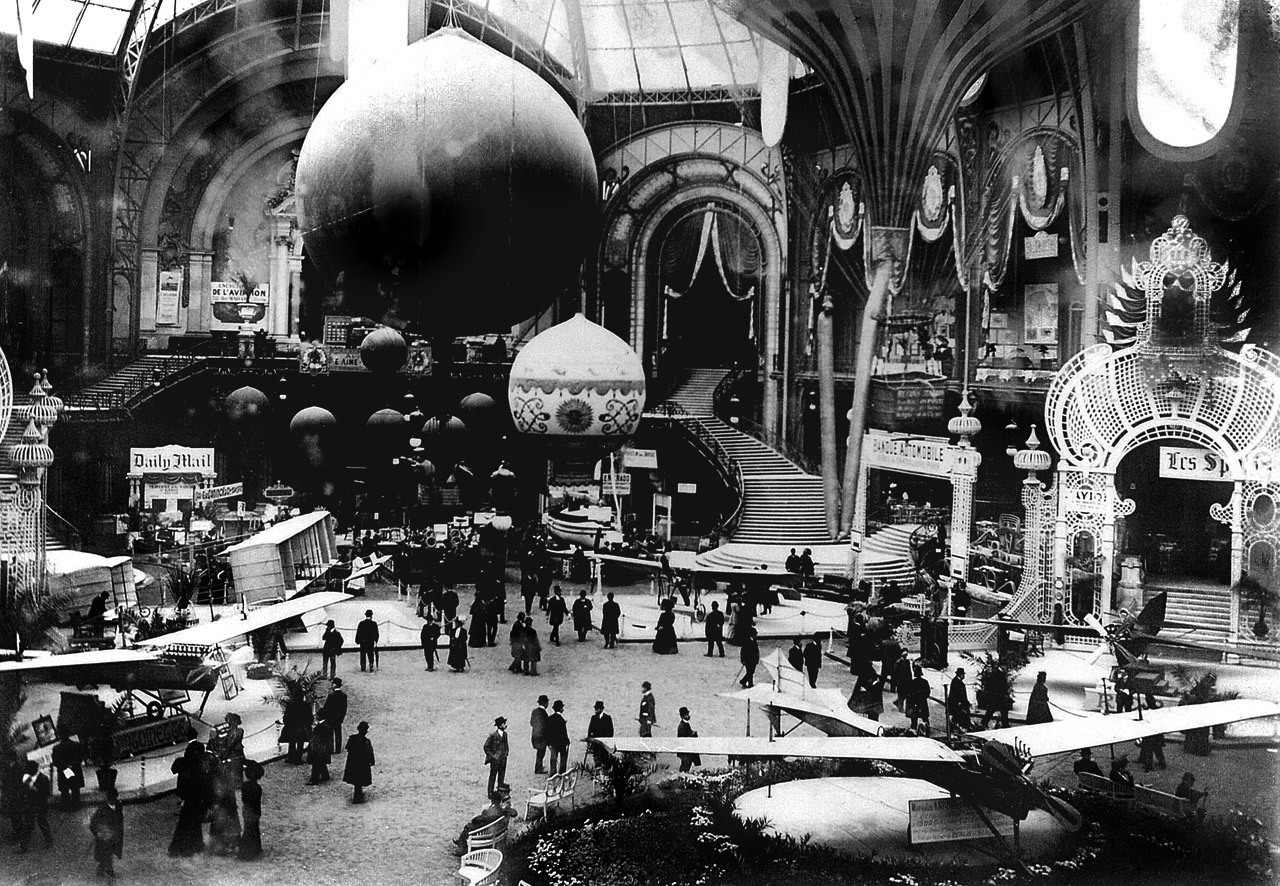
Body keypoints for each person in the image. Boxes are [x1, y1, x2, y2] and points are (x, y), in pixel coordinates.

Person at [169, 742, 209, 856]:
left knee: (186, 822)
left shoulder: (182, 762)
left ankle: (189, 845)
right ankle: (190, 846)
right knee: (192, 822)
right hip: (194, 797)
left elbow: (173, 769)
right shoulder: (198, 765)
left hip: (186, 795)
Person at [16, 758, 52, 852]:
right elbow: (22, 790)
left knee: (42, 822)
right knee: (28, 825)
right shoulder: (27, 778)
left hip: (41, 804)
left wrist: (37, 791)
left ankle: (48, 839)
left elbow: (47, 793)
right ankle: (24, 845)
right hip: (30, 805)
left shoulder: (43, 779)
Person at [89, 788, 124, 878]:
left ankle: (102, 867)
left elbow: (120, 819)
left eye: (115, 798)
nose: (114, 800)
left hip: (115, 835)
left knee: (109, 853)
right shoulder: (102, 809)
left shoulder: (118, 805)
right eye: (112, 799)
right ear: (108, 799)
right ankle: (109, 872)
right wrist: (98, 834)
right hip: (105, 837)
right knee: (107, 854)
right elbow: (93, 823)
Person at [237, 760, 264, 861]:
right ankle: (255, 848)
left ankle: (246, 851)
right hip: (255, 811)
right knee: (254, 829)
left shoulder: (244, 786)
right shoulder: (258, 788)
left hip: (247, 810)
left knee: (248, 829)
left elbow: (244, 799)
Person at [51, 730, 85, 808]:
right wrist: (72, 765)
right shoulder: (76, 745)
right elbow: (80, 757)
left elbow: (55, 761)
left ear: (59, 736)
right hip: (74, 769)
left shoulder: (56, 748)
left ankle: (66, 804)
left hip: (63, 770)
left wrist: (65, 767)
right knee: (75, 788)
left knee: (64, 789)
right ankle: (76, 803)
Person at [343, 721, 375, 804]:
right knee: (360, 780)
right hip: (362, 764)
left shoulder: (352, 738)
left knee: (356, 780)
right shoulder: (367, 741)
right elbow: (370, 753)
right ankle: (358, 797)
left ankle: (357, 795)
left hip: (353, 763)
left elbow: (347, 748)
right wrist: (371, 761)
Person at [282, 690, 312, 764]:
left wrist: (287, 724)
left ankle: (291, 757)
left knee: (292, 743)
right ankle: (298, 759)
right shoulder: (306, 705)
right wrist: (308, 725)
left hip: (292, 727)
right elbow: (309, 717)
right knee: (300, 743)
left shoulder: (290, 705)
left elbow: (286, 717)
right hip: (302, 727)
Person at [484, 717, 510, 796]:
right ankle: (490, 792)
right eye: (503, 724)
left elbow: (506, 745)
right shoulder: (493, 735)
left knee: (501, 776)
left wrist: (506, 752)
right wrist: (493, 756)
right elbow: (486, 747)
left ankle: (500, 790)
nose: (505, 725)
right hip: (495, 761)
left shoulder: (505, 734)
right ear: (500, 725)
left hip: (503, 760)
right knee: (493, 776)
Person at [320, 678, 348, 751]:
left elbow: (327, 707)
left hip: (331, 717)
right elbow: (344, 708)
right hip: (339, 718)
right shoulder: (344, 696)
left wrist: (323, 714)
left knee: (330, 734)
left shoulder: (331, 695)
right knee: (338, 733)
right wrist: (342, 717)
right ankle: (338, 748)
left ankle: (331, 748)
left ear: (335, 685)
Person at [306, 717, 334, 785]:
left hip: (319, 748)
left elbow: (317, 737)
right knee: (321, 762)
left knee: (316, 763)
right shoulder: (326, 724)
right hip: (322, 748)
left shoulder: (322, 726)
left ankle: (314, 779)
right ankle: (325, 775)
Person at [545, 701, 570, 774]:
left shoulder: (550, 718)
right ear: (560, 709)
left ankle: (553, 772)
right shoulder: (562, 720)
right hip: (562, 743)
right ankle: (562, 772)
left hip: (553, 743)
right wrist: (567, 741)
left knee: (553, 758)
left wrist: (548, 742)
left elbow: (548, 731)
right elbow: (564, 733)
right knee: (563, 757)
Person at [906, 664, 932, 734]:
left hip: (915, 703)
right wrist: (923, 697)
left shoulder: (912, 682)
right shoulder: (925, 682)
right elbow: (928, 692)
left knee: (914, 719)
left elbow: (909, 694)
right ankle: (927, 730)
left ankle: (913, 730)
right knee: (925, 718)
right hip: (923, 702)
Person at [676, 707, 701, 773]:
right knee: (685, 766)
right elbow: (685, 737)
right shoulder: (682, 725)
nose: (688, 716)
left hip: (686, 750)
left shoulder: (685, 724)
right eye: (687, 714)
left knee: (686, 765)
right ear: (683, 716)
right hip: (685, 750)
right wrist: (693, 734)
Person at [947, 668, 971, 733]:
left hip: (959, 703)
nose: (964, 676)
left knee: (965, 713)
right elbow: (955, 695)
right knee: (961, 714)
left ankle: (965, 726)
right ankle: (961, 727)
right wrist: (961, 703)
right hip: (955, 704)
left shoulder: (959, 682)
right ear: (960, 675)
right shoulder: (955, 682)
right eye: (963, 674)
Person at [530, 696, 550, 774]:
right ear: (545, 703)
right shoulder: (544, 713)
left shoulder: (534, 711)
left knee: (539, 752)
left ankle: (538, 767)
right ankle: (538, 768)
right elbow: (546, 726)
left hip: (535, 735)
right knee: (541, 753)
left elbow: (531, 723)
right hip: (542, 737)